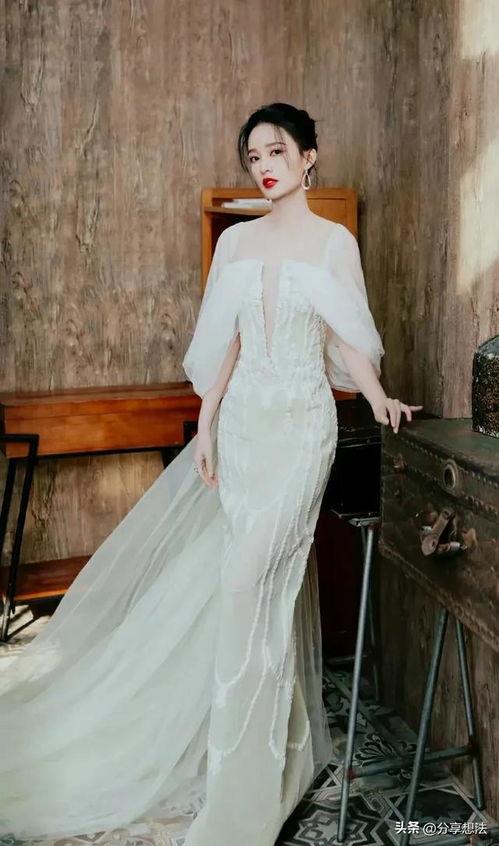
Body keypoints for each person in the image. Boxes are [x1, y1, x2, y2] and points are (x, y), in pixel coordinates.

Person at [0, 102, 422, 845]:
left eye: (277, 151)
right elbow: (225, 343)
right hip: (245, 428)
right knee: (255, 592)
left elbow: (348, 340)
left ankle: (245, 778)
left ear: (309, 158)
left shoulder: (334, 244)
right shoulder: (235, 243)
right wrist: (208, 422)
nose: (264, 167)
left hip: (302, 430)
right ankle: (265, 755)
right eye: (253, 156)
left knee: (248, 583)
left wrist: (379, 396)